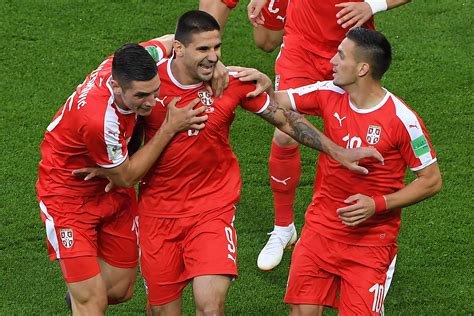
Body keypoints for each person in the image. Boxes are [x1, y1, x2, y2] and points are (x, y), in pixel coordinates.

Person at [134, 11, 383, 316]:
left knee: (210, 307)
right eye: (203, 50)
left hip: (211, 209)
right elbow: (117, 109)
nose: (213, 58)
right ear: (179, 49)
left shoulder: (231, 83)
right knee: (161, 312)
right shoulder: (149, 84)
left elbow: (286, 121)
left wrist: (336, 150)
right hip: (158, 213)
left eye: (217, 48)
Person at [269, 27, 441, 315]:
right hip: (320, 231)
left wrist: (377, 204)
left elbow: (431, 181)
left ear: (363, 68)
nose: (331, 62)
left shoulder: (403, 119)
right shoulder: (328, 92)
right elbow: (275, 100)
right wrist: (259, 84)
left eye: (340, 56)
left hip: (370, 243)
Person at [36, 40, 208, 315]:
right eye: (141, 96)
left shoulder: (128, 62)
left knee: (119, 289)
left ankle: (82, 291)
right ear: (116, 86)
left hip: (109, 187)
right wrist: (169, 127)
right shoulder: (99, 120)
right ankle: (84, 296)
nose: (152, 103)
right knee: (93, 302)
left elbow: (173, 40)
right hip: (68, 196)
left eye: (155, 91)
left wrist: (217, 65)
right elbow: (127, 177)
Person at [254, 0, 412, 271]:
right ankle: (283, 228)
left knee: (356, 137)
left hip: (350, 51)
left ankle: (370, 237)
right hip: (300, 48)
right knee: (283, 134)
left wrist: (373, 5)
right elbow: (264, 41)